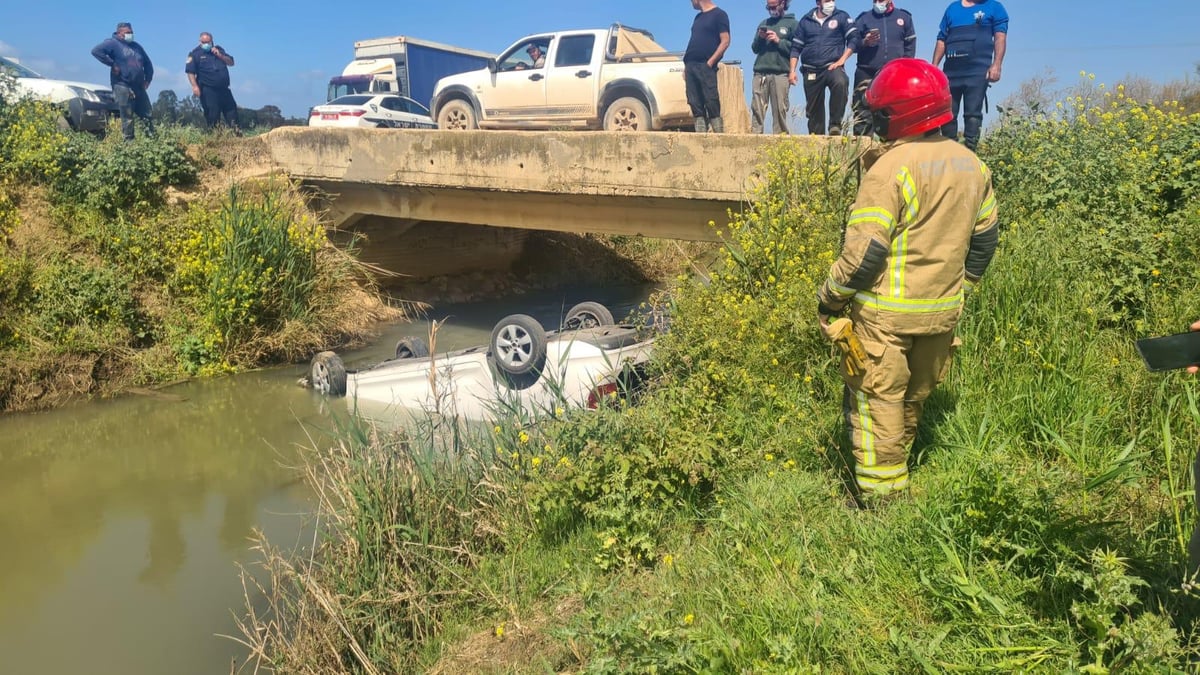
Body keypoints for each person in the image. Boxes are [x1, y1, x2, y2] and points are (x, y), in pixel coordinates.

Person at [816, 58, 999, 503]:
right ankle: (900, 480)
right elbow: (985, 241)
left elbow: (866, 254)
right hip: (941, 313)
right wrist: (961, 291)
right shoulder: (973, 165)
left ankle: (881, 506)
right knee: (911, 400)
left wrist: (830, 300)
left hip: (886, 316)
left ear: (895, 114)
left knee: (878, 403)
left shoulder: (890, 168)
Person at [931, 0, 1008, 151]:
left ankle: (970, 154)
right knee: (947, 114)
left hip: (977, 71)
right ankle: (950, 153)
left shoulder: (995, 7)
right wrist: (934, 67)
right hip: (951, 73)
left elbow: (1000, 37)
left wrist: (997, 64)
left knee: (972, 113)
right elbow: (942, 40)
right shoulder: (952, 9)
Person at [789, 0, 858, 136]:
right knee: (814, 110)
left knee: (840, 82)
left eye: (832, 0)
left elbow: (854, 39)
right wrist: (792, 71)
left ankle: (835, 125)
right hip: (811, 70)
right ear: (818, 2)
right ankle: (817, 138)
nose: (830, 3)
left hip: (832, 66)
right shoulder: (806, 21)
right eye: (827, 0)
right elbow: (796, 48)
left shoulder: (842, 16)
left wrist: (841, 60)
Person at [850, 1, 916, 136]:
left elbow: (910, 44)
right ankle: (862, 152)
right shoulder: (863, 18)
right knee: (863, 115)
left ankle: (893, 150)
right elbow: (853, 45)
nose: (878, 2)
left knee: (894, 114)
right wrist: (865, 42)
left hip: (894, 74)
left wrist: (904, 66)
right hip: (866, 72)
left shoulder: (904, 17)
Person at [91, 21, 154, 140]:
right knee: (128, 116)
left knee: (147, 114)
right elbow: (96, 51)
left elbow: (148, 63)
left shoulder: (137, 46)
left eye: (132, 32)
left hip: (139, 86)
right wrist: (112, 64)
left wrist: (148, 79)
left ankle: (151, 141)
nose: (130, 34)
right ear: (120, 34)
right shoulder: (112, 43)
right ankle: (129, 144)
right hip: (123, 85)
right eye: (127, 33)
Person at [750, 0, 800, 134]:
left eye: (773, 6)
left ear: (782, 3)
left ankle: (780, 140)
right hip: (761, 73)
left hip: (781, 73)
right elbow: (754, 49)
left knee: (780, 110)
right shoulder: (764, 23)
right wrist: (761, 38)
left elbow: (797, 49)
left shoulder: (793, 24)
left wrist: (779, 41)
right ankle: (755, 138)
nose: (771, 9)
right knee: (757, 108)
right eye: (769, 7)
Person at [684, 0, 731, 133]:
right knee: (694, 100)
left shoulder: (719, 15)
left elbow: (725, 41)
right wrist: (686, 66)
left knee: (711, 100)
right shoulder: (698, 17)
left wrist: (710, 63)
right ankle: (700, 136)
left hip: (705, 65)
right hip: (690, 65)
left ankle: (718, 136)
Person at [186, 32, 239, 131]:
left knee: (232, 113)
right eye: (203, 42)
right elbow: (190, 71)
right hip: (208, 90)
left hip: (224, 89)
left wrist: (220, 56)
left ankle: (237, 136)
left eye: (208, 42)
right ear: (200, 42)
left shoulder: (219, 50)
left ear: (212, 41)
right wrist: (194, 86)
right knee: (213, 116)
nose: (206, 44)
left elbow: (231, 62)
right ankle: (216, 139)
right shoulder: (195, 54)